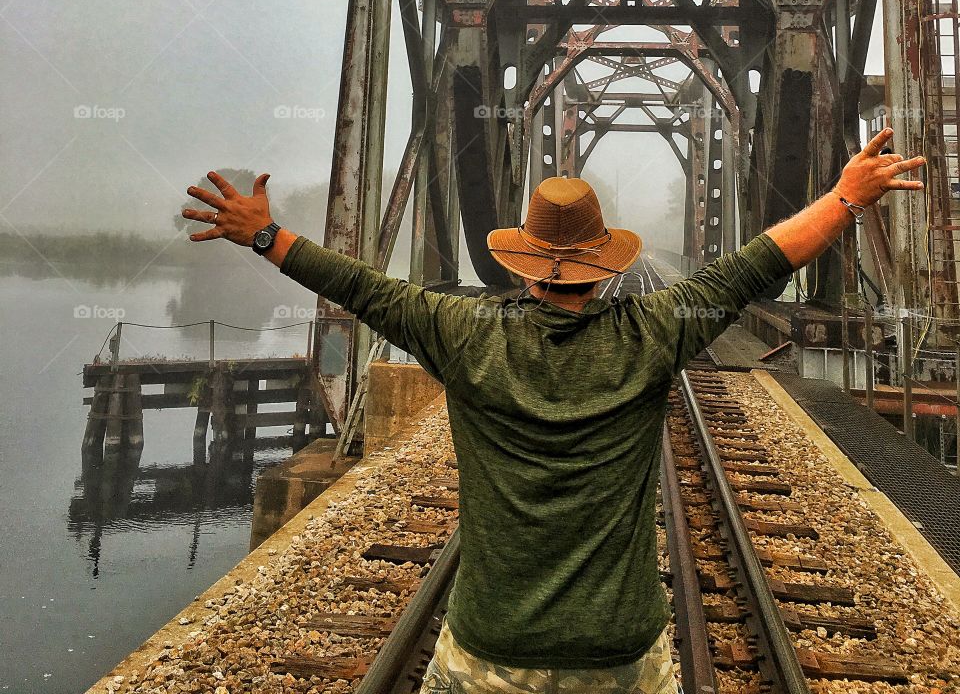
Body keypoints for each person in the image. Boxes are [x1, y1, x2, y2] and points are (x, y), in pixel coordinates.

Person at [182, 127, 924, 694]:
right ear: (606, 269)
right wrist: (848, 196)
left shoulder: (462, 332)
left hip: (490, 647)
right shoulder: (653, 331)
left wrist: (265, 235)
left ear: (523, 262)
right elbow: (760, 261)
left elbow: (365, 289)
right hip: (621, 650)